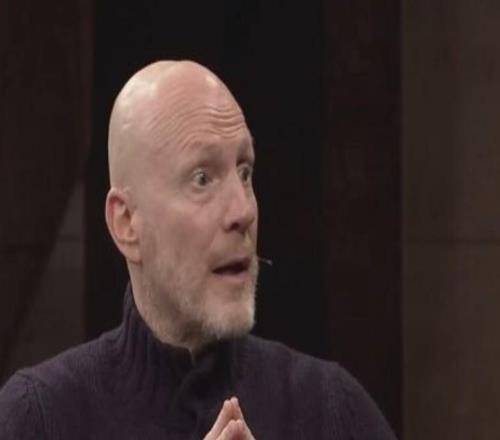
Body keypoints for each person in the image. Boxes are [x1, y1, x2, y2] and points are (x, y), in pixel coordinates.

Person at [0, 60, 396, 439]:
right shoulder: (38, 418)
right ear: (127, 223)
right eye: (202, 178)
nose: (242, 212)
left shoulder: (333, 409)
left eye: (245, 171)